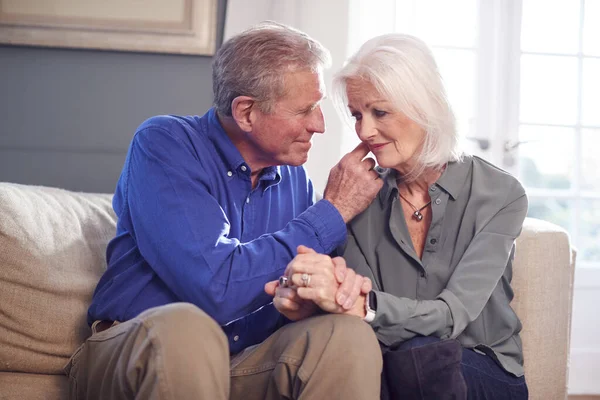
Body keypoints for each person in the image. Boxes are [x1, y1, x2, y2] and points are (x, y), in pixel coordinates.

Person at [64, 22, 385, 400]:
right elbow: (214, 286)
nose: (320, 125)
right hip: (138, 349)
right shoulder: (165, 145)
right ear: (246, 112)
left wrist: (313, 295)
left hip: (244, 360)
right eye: (306, 110)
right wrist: (333, 211)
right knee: (187, 329)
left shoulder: (296, 181)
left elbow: (295, 286)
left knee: (346, 336)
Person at [270, 33, 529, 399]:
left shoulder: (501, 194)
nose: (364, 131)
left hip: (480, 369)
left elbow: (452, 316)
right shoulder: (359, 198)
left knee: (418, 358)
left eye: (380, 112)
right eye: (358, 115)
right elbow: (358, 315)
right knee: (379, 361)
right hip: (392, 368)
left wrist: (366, 306)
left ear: (424, 106)